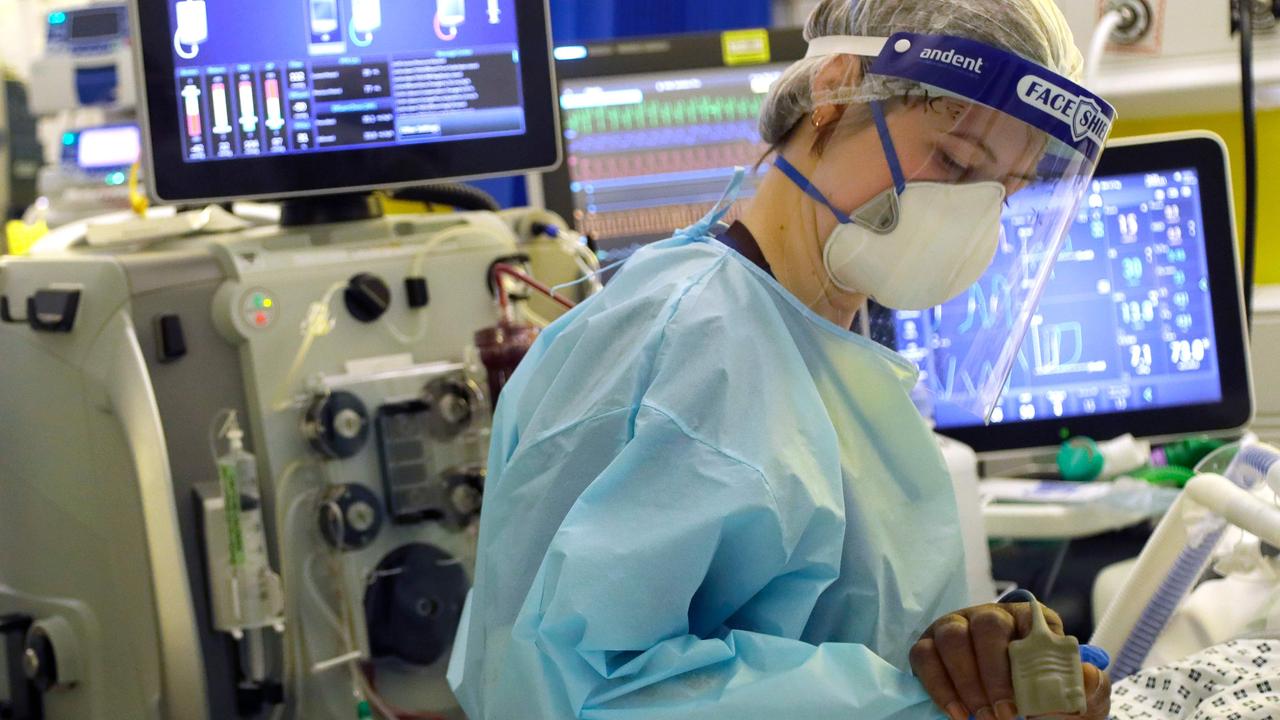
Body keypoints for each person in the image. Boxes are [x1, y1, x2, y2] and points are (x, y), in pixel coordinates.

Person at [448, 0, 1115, 718]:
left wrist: (983, 662)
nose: (966, 216)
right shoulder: (690, 341)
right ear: (833, 91)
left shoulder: (825, 348)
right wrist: (920, 706)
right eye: (954, 161)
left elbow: (841, 625)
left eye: (1002, 194)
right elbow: (586, 687)